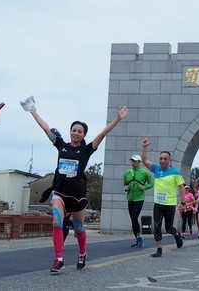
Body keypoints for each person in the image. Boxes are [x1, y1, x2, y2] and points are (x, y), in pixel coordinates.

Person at [24, 96, 128, 274]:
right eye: (74, 130)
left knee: (78, 227)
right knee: (57, 221)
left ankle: (82, 253)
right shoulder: (61, 146)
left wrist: (117, 119)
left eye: (80, 131)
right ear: (70, 131)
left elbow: (102, 134)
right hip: (60, 192)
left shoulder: (87, 150)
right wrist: (34, 112)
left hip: (77, 194)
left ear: (84, 135)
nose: (76, 133)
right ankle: (59, 259)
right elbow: (46, 128)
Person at [141, 137, 185, 257]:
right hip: (158, 204)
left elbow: (181, 188)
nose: (162, 161)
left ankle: (176, 235)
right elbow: (144, 161)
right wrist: (144, 148)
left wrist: (183, 202)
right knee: (157, 227)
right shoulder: (156, 169)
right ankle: (159, 249)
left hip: (170, 204)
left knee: (169, 228)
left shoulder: (176, 173)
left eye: (165, 159)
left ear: (169, 160)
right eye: (160, 158)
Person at [123, 154, 154, 248]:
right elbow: (124, 183)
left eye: (135, 161)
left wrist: (144, 187)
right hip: (130, 198)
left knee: (134, 217)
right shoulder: (127, 172)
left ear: (139, 162)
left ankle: (140, 238)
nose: (133, 163)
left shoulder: (144, 172)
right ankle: (137, 239)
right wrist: (126, 188)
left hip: (139, 198)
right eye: (132, 161)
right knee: (133, 220)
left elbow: (151, 183)